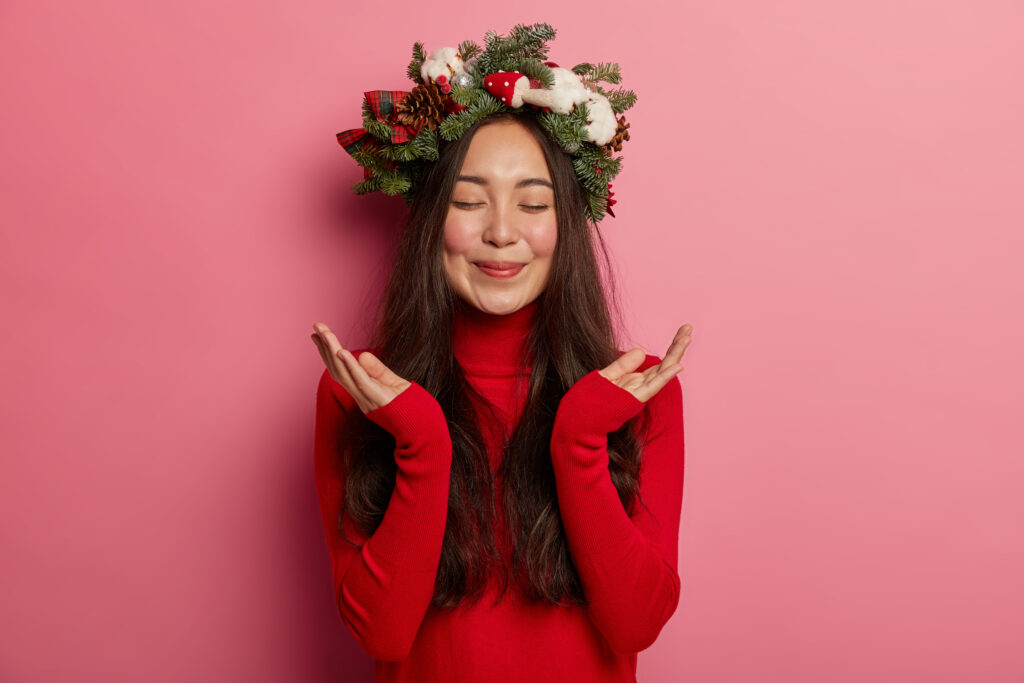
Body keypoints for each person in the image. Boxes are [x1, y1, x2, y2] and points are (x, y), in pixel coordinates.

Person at [311, 25, 693, 682]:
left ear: (567, 225)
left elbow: (637, 624)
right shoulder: (363, 392)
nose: (500, 231)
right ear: (432, 221)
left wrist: (579, 437)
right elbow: (381, 630)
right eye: (469, 201)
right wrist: (421, 440)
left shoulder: (633, 394)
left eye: (532, 203)